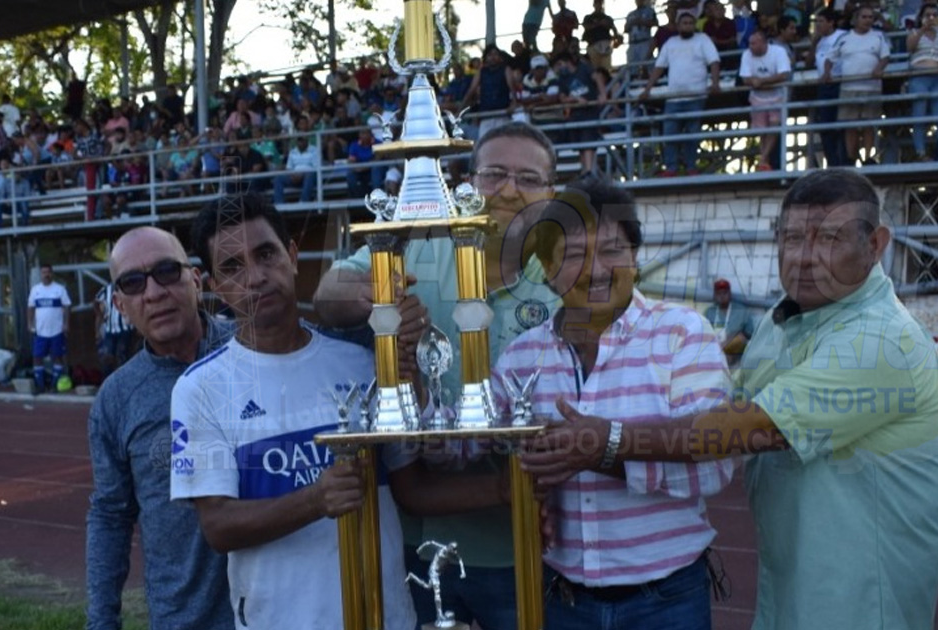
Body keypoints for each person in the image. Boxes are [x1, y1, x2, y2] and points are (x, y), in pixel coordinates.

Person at [521, 168, 938, 630]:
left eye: (829, 238)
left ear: (876, 244)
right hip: (790, 581)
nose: (805, 258)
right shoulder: (779, 321)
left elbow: (747, 429)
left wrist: (604, 441)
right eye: (790, 238)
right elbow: (717, 415)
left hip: (865, 595)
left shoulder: (885, 340)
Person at [313, 122, 561, 630]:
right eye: (494, 174)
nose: (510, 190)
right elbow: (328, 290)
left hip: (517, 543)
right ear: (466, 183)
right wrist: (376, 300)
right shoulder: (421, 246)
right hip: (416, 540)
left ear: (550, 196)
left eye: (528, 179)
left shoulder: (562, 282)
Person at [170, 196, 416, 630]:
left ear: (294, 255)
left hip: (386, 617)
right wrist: (315, 500)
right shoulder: (200, 389)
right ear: (212, 286)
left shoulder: (360, 363)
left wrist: (506, 487)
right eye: (232, 267)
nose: (256, 277)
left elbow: (411, 489)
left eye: (266, 254)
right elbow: (218, 527)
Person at [497, 179, 733, 630]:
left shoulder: (683, 333)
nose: (595, 270)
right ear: (546, 269)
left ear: (635, 259)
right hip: (562, 598)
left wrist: (602, 449)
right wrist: (406, 369)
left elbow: (716, 466)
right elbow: (471, 446)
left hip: (668, 599)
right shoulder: (520, 356)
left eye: (611, 250)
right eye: (571, 255)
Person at [85, 227, 232, 630]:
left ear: (196, 280)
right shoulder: (115, 399)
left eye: (167, 272)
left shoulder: (256, 351)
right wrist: (101, 621)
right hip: (184, 620)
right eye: (133, 283)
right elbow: (111, 515)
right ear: (119, 303)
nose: (152, 293)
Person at [640, 11, 721, 177]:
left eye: (691, 23)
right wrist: (647, 89)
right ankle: (671, 168)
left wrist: (715, 83)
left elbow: (714, 61)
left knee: (693, 135)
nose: (688, 26)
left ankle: (691, 166)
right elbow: (659, 67)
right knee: (670, 134)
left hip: (696, 96)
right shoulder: (670, 43)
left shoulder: (703, 39)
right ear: (678, 26)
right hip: (674, 97)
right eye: (684, 23)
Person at [824, 6, 890, 166]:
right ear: (855, 20)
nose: (868, 20)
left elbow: (885, 57)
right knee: (849, 124)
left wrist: (878, 69)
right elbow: (830, 58)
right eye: (864, 17)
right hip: (849, 88)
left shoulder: (879, 37)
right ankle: (850, 157)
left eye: (870, 17)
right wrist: (827, 73)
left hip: (871, 88)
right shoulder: (845, 38)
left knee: (869, 124)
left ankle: (868, 157)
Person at [906, 3, 938, 161]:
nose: (931, 18)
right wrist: (922, 29)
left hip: (937, 76)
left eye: (934, 15)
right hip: (919, 76)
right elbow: (910, 47)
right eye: (928, 15)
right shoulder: (914, 31)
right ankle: (920, 152)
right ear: (921, 17)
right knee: (919, 116)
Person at [739, 29, 792, 171]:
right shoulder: (746, 55)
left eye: (754, 43)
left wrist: (761, 82)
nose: (750, 46)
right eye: (750, 43)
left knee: (774, 126)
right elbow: (745, 78)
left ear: (763, 43)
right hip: (758, 98)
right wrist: (756, 82)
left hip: (777, 96)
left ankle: (763, 158)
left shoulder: (778, 52)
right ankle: (765, 161)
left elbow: (784, 74)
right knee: (762, 131)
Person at [553, 53, 607, 177]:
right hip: (575, 114)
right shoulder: (562, 78)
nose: (559, 68)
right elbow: (562, 98)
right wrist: (576, 100)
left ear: (566, 62)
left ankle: (588, 170)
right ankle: (585, 170)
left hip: (590, 112)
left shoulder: (584, 68)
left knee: (588, 139)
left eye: (560, 64)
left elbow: (598, 78)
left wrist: (603, 94)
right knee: (580, 144)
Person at [812, 8, 848, 167]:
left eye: (820, 21)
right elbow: (809, 63)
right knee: (825, 126)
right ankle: (833, 163)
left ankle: (845, 161)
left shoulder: (842, 36)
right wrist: (814, 42)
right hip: (824, 86)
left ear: (831, 22)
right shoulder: (819, 42)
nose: (817, 25)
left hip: (840, 83)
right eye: (816, 22)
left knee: (842, 125)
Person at [27, 264, 71, 393]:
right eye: (43, 272)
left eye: (48, 272)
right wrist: (29, 323)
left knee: (57, 357)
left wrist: (66, 323)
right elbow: (30, 307)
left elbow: (67, 306)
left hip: (57, 330)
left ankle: (54, 385)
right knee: (37, 357)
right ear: (40, 274)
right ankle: (40, 385)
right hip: (40, 331)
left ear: (52, 274)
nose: (46, 275)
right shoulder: (35, 290)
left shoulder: (59, 289)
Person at [704, 278, 757, 364]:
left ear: (730, 294)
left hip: (735, 356)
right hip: (714, 354)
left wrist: (730, 342)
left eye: (725, 293)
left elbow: (749, 333)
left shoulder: (741, 311)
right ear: (714, 295)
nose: (722, 296)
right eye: (718, 293)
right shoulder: (710, 312)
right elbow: (704, 334)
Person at [93, 281, 134, 377]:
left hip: (125, 329)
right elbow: (96, 301)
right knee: (107, 357)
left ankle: (124, 380)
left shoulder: (128, 288)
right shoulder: (105, 289)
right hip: (109, 329)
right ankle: (107, 381)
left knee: (122, 356)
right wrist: (100, 314)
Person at [272, 134, 320, 204]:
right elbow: (289, 168)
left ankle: (304, 201)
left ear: (307, 141)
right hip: (294, 176)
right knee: (278, 179)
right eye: (299, 141)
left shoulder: (314, 150)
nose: (301, 143)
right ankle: (279, 203)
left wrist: (302, 175)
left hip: (308, 176)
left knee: (310, 174)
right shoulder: (292, 151)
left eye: (302, 140)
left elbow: (316, 168)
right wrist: (292, 175)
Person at [582, 0, 621, 71]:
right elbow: (586, 26)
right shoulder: (588, 17)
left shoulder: (607, 18)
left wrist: (615, 41)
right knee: (594, 70)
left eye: (600, 3)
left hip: (606, 45)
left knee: (606, 69)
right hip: (593, 45)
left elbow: (614, 29)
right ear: (594, 5)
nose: (598, 5)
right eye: (597, 3)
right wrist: (599, 24)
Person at [624, 0, 659, 78]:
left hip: (644, 41)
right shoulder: (630, 14)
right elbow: (625, 29)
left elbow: (655, 23)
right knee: (632, 66)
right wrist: (631, 24)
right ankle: (634, 81)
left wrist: (642, 22)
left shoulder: (649, 11)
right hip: (632, 42)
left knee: (647, 64)